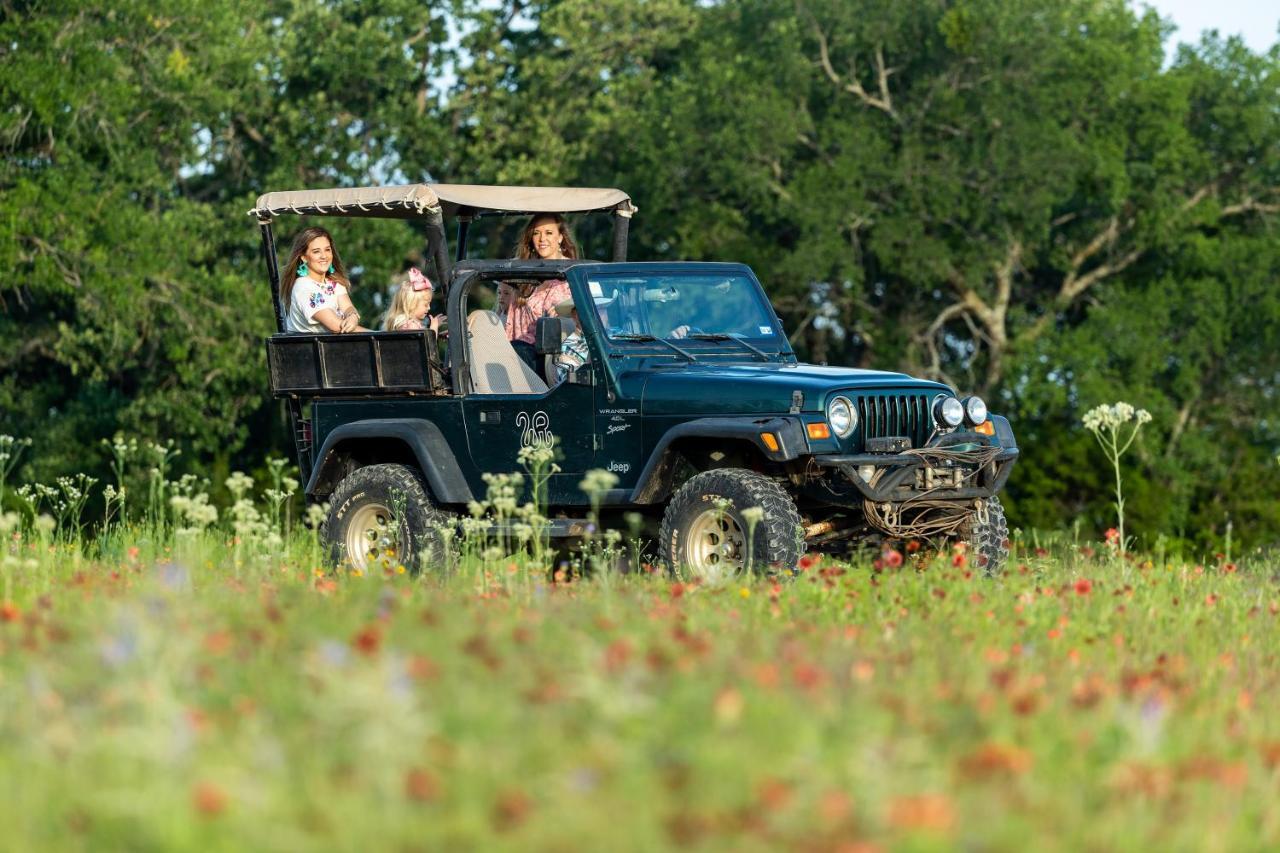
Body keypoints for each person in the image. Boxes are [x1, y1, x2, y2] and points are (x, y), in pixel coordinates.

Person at [496, 214, 576, 369]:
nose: (541, 239)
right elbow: (508, 319)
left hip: (557, 355)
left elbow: (597, 317)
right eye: (536, 233)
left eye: (548, 233)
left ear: (560, 237)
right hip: (520, 350)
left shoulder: (574, 272)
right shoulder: (522, 273)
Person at [282, 227, 366, 334]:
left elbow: (348, 307)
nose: (324, 256)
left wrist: (353, 316)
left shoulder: (333, 283)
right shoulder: (303, 286)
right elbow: (336, 327)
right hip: (312, 348)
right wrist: (377, 335)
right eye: (316, 252)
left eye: (327, 250)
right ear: (304, 257)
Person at [383, 268, 441, 333]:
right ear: (411, 304)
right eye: (425, 304)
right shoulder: (411, 326)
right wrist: (433, 330)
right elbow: (428, 343)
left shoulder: (402, 324)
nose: (429, 307)